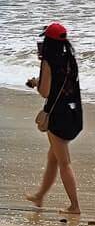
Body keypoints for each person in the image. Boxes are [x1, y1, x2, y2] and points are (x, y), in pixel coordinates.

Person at [25, 23, 82, 215]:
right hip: (73, 113)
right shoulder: (70, 59)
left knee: (64, 162)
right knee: (53, 158)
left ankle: (75, 206)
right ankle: (40, 196)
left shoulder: (48, 62)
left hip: (58, 116)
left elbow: (45, 92)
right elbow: (64, 86)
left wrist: (35, 83)